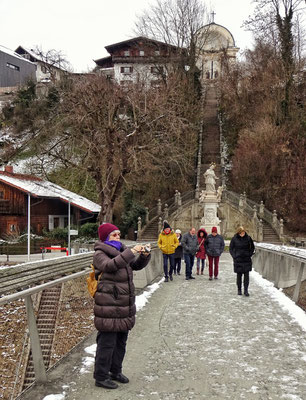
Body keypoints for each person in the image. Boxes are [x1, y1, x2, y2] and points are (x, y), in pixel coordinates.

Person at [93, 223, 151, 389]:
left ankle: (115, 371)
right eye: (114, 235)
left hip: (124, 304)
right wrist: (130, 252)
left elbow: (135, 265)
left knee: (120, 342)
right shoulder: (100, 253)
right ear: (105, 237)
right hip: (108, 305)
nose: (118, 237)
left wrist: (144, 256)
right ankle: (101, 376)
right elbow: (109, 266)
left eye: (119, 234)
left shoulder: (121, 250)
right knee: (107, 343)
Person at [229, 226, 255, 296]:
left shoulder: (248, 238)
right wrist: (234, 256)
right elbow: (231, 248)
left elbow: (252, 247)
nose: (242, 234)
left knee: (246, 276)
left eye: (243, 232)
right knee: (239, 276)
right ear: (238, 232)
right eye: (241, 233)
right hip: (238, 260)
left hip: (246, 259)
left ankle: (246, 290)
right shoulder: (234, 239)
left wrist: (250, 254)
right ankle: (239, 289)